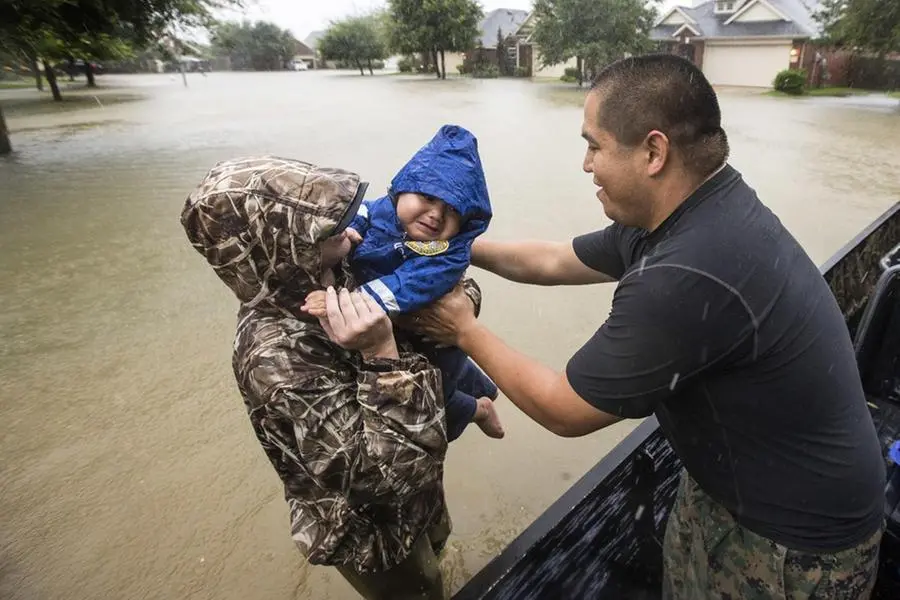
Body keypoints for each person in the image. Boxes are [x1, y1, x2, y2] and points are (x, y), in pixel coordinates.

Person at [407, 54, 886, 599]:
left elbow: (565, 409)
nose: (586, 164)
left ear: (654, 152)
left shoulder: (688, 271)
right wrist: (448, 248)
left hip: (794, 544)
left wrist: (463, 330)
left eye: (594, 144)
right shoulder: (689, 208)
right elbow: (550, 260)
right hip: (729, 485)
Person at [180, 155, 485, 600]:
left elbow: (444, 286)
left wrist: (465, 306)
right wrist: (382, 352)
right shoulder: (275, 361)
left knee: (440, 551)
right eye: (327, 229)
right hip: (371, 534)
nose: (348, 228)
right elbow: (382, 478)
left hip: (421, 487)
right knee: (422, 591)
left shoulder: (333, 265)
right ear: (283, 248)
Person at [303, 124, 504, 442]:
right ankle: (483, 389)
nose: (436, 214)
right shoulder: (383, 209)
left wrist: (346, 304)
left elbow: (406, 284)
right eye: (427, 197)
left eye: (452, 212)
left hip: (435, 343)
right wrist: (351, 229)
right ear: (403, 188)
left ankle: (479, 408)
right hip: (407, 327)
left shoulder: (446, 254)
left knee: (439, 406)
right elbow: (364, 211)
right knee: (460, 371)